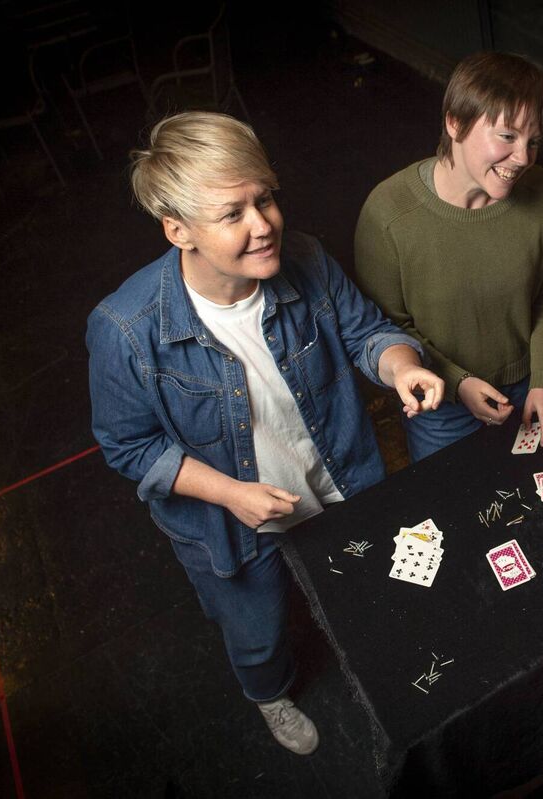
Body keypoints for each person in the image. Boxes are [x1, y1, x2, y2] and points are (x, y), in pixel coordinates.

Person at [85, 112, 443, 755]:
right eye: (233, 214)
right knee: (258, 629)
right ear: (177, 230)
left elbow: (366, 334)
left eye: (266, 198)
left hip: (339, 480)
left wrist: (404, 366)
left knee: (360, 588)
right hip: (229, 525)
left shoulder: (305, 257)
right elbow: (130, 447)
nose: (263, 225)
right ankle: (269, 695)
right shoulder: (124, 329)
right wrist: (230, 493)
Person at [354, 51, 543, 462]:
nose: (523, 157)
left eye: (534, 141)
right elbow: (384, 328)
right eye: (507, 136)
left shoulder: (541, 191)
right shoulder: (388, 213)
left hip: (528, 385)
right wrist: (458, 384)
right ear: (455, 121)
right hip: (439, 406)